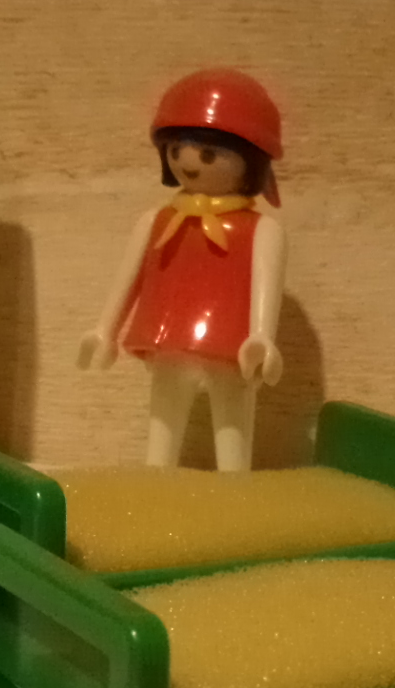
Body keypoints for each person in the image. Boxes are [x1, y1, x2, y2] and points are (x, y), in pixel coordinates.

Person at [77, 68, 286, 472]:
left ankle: (234, 493)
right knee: (163, 426)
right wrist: (104, 330)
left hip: (231, 347)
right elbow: (130, 278)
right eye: (176, 150)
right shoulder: (155, 221)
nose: (188, 162)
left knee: (232, 428)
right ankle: (158, 485)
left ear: (251, 159)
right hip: (167, 338)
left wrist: (262, 336)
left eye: (208, 154)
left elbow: (267, 285)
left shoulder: (263, 230)